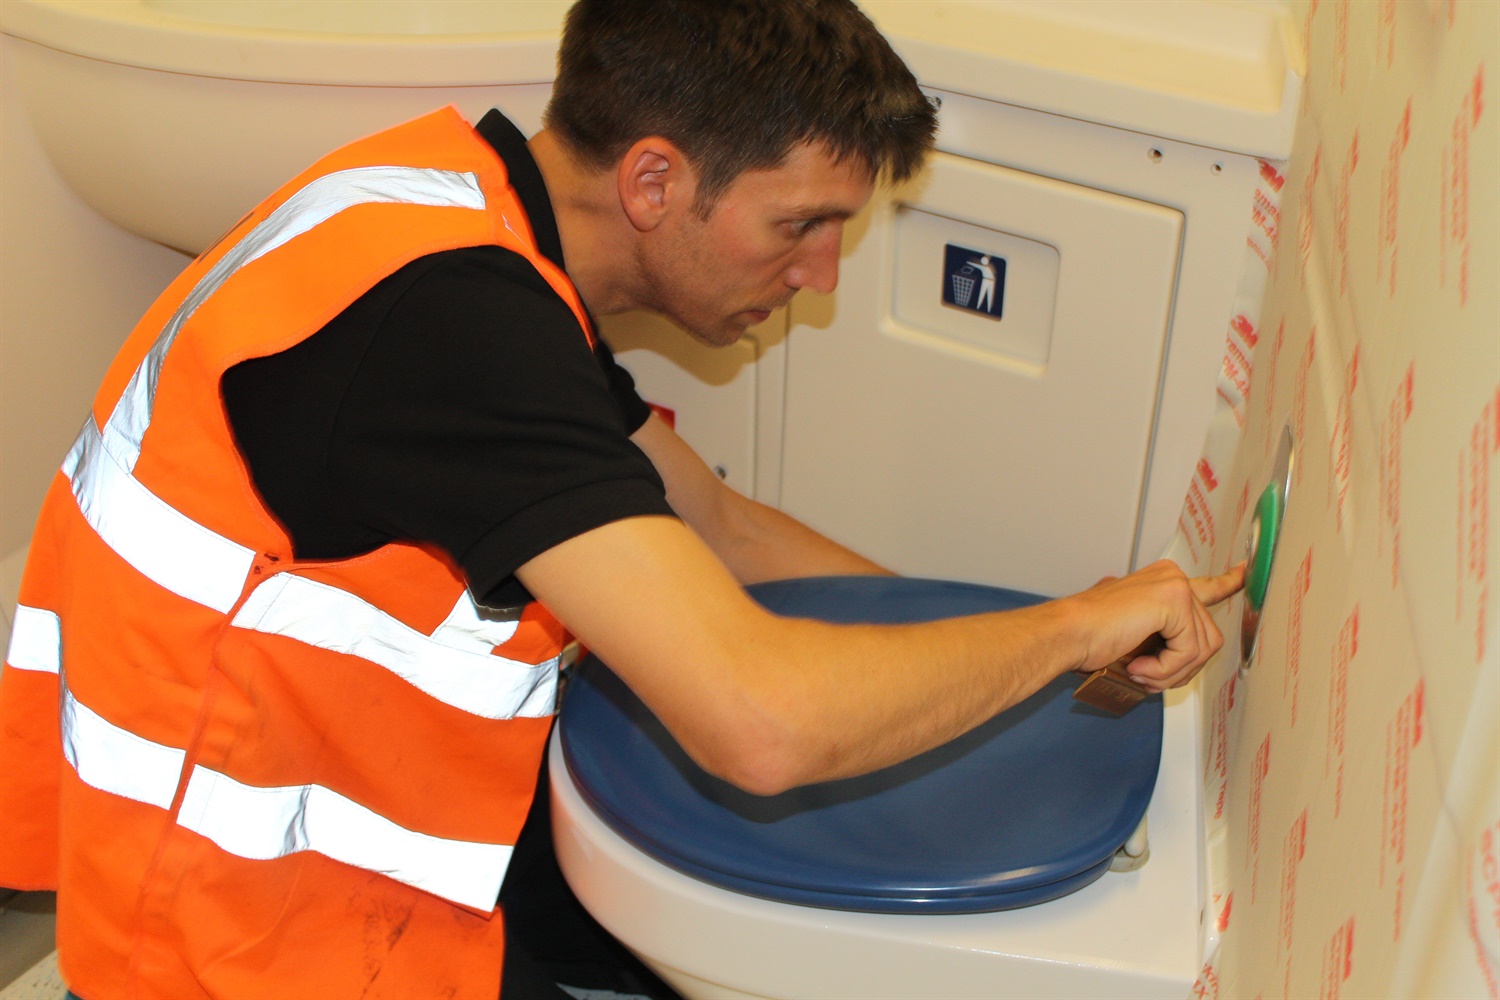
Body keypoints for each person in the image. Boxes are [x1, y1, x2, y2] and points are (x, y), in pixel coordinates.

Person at [0, 1, 1242, 997]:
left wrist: (1018, 654)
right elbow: (761, 726)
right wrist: (1073, 623)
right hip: (240, 932)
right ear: (654, 181)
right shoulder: (456, 334)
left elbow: (721, 529)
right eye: (800, 226)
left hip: (318, 817)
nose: (817, 280)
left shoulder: (462, 214)